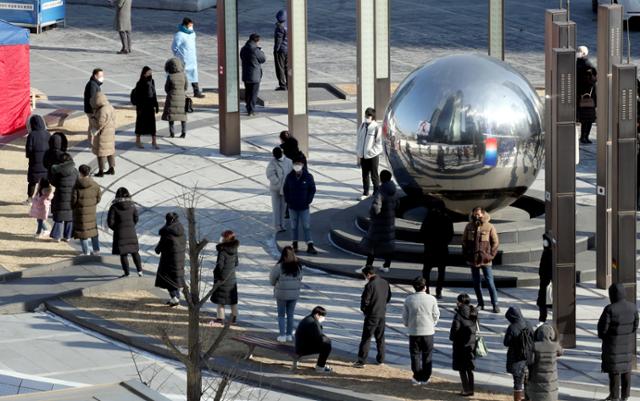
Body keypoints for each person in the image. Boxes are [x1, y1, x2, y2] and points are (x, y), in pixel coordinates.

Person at [597, 283, 639, 401]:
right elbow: (635, 325)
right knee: (626, 369)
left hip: (612, 345)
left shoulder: (610, 309)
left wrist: (604, 337)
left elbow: (602, 328)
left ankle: (614, 396)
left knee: (614, 371)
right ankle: (625, 396)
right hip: (627, 344)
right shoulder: (633, 307)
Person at [402, 277, 440, 385]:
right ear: (425, 287)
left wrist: (408, 325)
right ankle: (426, 376)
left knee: (415, 354)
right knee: (427, 355)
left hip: (414, 331)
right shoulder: (432, 299)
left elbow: (405, 317)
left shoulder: (409, 299)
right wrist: (432, 324)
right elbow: (436, 314)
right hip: (428, 331)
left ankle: (417, 376)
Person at [462, 207, 500, 313]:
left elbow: (495, 242)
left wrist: (490, 256)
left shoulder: (489, 226)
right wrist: (467, 254)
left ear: (483, 214)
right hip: (473, 259)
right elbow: (464, 241)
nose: (476, 216)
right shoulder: (469, 226)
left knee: (490, 282)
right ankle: (480, 303)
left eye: (478, 214)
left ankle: (495, 304)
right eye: (475, 214)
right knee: (476, 282)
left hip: (486, 260)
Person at [353, 265, 391, 368]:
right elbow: (388, 298)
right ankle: (381, 359)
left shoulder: (370, 285)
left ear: (368, 274)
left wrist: (365, 310)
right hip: (382, 314)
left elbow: (365, 302)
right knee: (380, 338)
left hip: (372, 315)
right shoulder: (385, 282)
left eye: (364, 275)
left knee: (366, 338)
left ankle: (361, 361)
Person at [362, 170, 397, 273]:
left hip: (380, 223)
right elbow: (397, 203)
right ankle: (386, 265)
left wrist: (374, 216)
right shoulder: (394, 189)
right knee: (388, 245)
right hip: (389, 221)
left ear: (381, 178)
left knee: (372, 246)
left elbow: (375, 207)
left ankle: (368, 267)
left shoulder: (381, 191)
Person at [419, 199, 453, 298]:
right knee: (441, 272)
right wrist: (444, 242)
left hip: (430, 249)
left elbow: (422, 233)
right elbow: (450, 235)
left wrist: (427, 241)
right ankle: (439, 291)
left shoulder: (428, 218)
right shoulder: (447, 218)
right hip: (442, 249)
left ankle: (427, 289)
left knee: (426, 271)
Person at [283, 156, 317, 254]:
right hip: (292, 207)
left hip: (304, 207)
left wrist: (308, 200)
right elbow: (286, 189)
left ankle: (310, 245)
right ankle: (295, 244)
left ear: (303, 165)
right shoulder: (289, 177)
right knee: (294, 226)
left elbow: (312, 189)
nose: (297, 166)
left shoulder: (308, 176)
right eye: (295, 164)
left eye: (299, 164)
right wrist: (288, 200)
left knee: (306, 226)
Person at [270, 246, 303, 342]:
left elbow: (272, 280)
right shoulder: (298, 267)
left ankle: (282, 335)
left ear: (283, 255)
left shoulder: (279, 267)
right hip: (294, 294)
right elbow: (300, 279)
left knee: (281, 315)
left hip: (281, 294)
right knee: (290, 314)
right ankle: (289, 335)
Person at [107, 187, 143, 277]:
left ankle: (127, 273)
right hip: (131, 232)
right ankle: (140, 271)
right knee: (135, 252)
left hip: (120, 234)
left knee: (123, 254)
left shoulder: (114, 207)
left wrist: (117, 229)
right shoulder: (132, 205)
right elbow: (136, 218)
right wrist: (131, 225)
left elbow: (110, 222)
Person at [155, 212, 186, 306]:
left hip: (168, 259)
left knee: (167, 278)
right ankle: (176, 297)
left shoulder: (166, 232)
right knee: (175, 277)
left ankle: (174, 297)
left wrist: (157, 249)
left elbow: (161, 245)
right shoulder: (181, 230)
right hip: (179, 258)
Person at [449, 293, 478, 397]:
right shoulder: (473, 312)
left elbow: (454, 331)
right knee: (469, 368)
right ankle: (471, 389)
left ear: (460, 302)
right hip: (471, 344)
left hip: (460, 345)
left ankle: (466, 389)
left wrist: (452, 338)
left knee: (462, 369)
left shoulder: (458, 315)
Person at [503, 306, 534, 401]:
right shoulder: (528, 323)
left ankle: (517, 399)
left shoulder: (512, 327)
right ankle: (528, 399)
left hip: (516, 358)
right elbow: (533, 337)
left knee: (517, 382)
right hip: (528, 357)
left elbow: (506, 343)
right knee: (527, 380)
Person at [527, 324, 563, 401]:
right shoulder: (555, 345)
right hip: (551, 379)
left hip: (536, 378)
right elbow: (561, 352)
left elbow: (530, 361)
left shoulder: (534, 346)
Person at [72, 165, 102, 256]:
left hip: (80, 212)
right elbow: (98, 198)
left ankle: (86, 251)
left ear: (80, 173)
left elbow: (73, 200)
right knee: (93, 230)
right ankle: (96, 250)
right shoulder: (95, 185)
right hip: (91, 211)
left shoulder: (77, 186)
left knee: (83, 232)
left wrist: (73, 208)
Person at [211, 230, 240, 324]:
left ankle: (220, 318)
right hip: (232, 278)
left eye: (222, 237)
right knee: (232, 300)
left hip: (222, 279)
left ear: (225, 239)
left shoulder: (222, 251)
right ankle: (234, 317)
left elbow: (220, 265)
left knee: (221, 300)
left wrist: (217, 275)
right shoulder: (235, 249)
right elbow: (236, 263)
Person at [172, 17, 204, 98]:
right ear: (186, 25)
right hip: (183, 58)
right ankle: (182, 92)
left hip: (192, 58)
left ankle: (196, 91)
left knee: (194, 74)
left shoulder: (192, 34)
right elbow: (174, 47)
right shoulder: (179, 35)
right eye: (190, 25)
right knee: (183, 76)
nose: (191, 26)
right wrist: (178, 55)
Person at [295, 306, 333, 373]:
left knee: (326, 342)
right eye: (322, 316)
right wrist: (327, 340)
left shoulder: (309, 319)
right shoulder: (313, 323)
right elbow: (319, 338)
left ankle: (320, 366)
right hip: (302, 348)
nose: (323, 318)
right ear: (317, 314)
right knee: (327, 346)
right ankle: (320, 367)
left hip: (301, 345)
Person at [355, 107, 382, 200]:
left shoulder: (376, 127)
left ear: (372, 117)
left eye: (368, 115)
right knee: (364, 175)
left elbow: (379, 144)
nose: (366, 117)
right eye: (366, 115)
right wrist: (358, 151)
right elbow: (359, 139)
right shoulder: (362, 125)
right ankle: (365, 193)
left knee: (374, 175)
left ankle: (376, 192)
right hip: (363, 155)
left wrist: (371, 152)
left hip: (373, 156)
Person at [49, 153, 77, 242]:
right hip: (71, 196)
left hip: (60, 195)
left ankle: (57, 236)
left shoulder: (58, 171)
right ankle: (68, 236)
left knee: (59, 216)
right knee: (69, 217)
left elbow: (53, 182)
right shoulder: (75, 171)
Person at [25, 115, 50, 205]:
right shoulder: (47, 134)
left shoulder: (31, 135)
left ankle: (30, 199)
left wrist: (30, 156)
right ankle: (45, 198)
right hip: (46, 163)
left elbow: (29, 150)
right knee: (45, 182)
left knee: (32, 182)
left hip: (34, 163)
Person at [132, 66, 159, 149]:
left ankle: (154, 141)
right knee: (140, 124)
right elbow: (138, 96)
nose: (151, 74)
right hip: (142, 107)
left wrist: (156, 104)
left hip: (150, 106)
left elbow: (154, 93)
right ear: (144, 73)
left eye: (151, 73)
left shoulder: (152, 81)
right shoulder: (140, 83)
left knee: (152, 124)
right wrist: (139, 108)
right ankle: (138, 141)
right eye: (149, 73)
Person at [266, 147, 292, 232]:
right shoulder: (272, 162)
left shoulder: (288, 161)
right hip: (276, 189)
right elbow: (270, 174)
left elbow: (291, 174)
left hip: (285, 188)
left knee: (283, 208)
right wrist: (277, 182)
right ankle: (277, 225)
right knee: (276, 208)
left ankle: (282, 224)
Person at [90, 92, 116, 177]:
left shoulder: (102, 111)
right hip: (110, 133)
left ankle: (101, 171)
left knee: (100, 153)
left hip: (103, 135)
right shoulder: (110, 106)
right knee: (110, 151)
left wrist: (92, 119)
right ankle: (112, 168)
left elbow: (99, 124)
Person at [162, 57, 188, 139]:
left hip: (171, 97)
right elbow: (186, 87)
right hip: (182, 97)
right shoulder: (184, 75)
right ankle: (183, 132)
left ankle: (172, 133)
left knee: (171, 116)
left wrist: (170, 93)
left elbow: (166, 88)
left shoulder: (170, 76)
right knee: (183, 116)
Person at [240, 33, 266, 116]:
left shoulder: (243, 48)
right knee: (253, 94)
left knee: (248, 92)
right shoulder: (255, 50)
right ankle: (251, 110)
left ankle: (248, 107)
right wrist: (261, 51)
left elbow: (241, 57)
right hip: (255, 75)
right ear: (257, 40)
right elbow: (262, 59)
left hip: (246, 74)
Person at [576, 45, 597, 144]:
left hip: (579, 94)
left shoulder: (577, 63)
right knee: (589, 118)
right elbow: (592, 79)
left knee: (584, 117)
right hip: (588, 95)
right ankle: (585, 136)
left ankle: (583, 136)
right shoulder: (588, 65)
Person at [536, 233, 552, 323]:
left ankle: (542, 319)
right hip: (544, 281)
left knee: (545, 301)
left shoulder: (551, 253)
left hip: (549, 281)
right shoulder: (546, 251)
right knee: (542, 302)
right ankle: (542, 319)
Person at [83, 69, 103, 134]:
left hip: (91, 109)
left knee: (92, 126)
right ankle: (91, 141)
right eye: (101, 75)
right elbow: (93, 99)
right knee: (93, 127)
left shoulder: (94, 84)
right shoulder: (92, 85)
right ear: (95, 76)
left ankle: (91, 140)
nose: (102, 77)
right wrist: (95, 111)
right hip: (92, 110)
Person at [273, 9, 288, 91]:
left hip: (281, 50)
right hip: (288, 49)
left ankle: (282, 85)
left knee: (280, 68)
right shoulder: (289, 24)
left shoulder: (280, 27)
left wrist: (275, 50)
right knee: (287, 67)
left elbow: (278, 40)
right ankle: (289, 84)